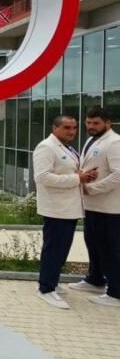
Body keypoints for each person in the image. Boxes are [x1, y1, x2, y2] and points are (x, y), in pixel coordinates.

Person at [33, 115, 96, 309]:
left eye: (75, 128)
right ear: (55, 128)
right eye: (67, 127)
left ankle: (52, 282)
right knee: (54, 250)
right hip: (56, 208)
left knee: (61, 250)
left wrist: (82, 176)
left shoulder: (67, 148)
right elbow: (43, 177)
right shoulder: (46, 147)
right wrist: (77, 178)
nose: (71, 131)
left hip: (69, 208)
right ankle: (46, 288)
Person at [70, 107, 120, 307]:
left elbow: (118, 174)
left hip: (110, 208)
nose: (90, 126)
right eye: (88, 123)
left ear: (108, 123)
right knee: (94, 244)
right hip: (92, 206)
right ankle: (95, 279)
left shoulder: (114, 143)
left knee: (112, 249)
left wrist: (92, 189)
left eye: (96, 123)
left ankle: (116, 292)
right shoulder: (93, 139)